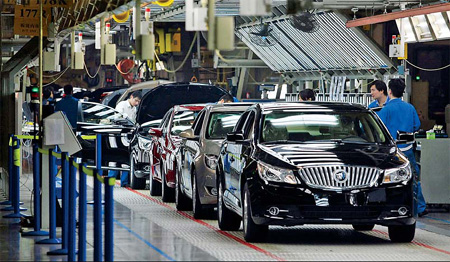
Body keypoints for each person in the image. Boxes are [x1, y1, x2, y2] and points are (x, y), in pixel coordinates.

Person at [378, 78, 427, 217]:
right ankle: (420, 207)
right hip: (408, 149)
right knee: (414, 178)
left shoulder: (386, 110)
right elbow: (416, 125)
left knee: (394, 179)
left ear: (390, 91)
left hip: (392, 151)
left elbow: (378, 129)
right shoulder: (410, 108)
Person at [112, 91, 142, 187]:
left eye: (138, 102)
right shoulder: (122, 105)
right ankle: (110, 180)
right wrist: (126, 118)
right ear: (131, 97)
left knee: (126, 159)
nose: (136, 103)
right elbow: (117, 118)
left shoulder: (134, 108)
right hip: (117, 135)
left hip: (127, 135)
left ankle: (124, 182)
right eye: (136, 101)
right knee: (115, 158)